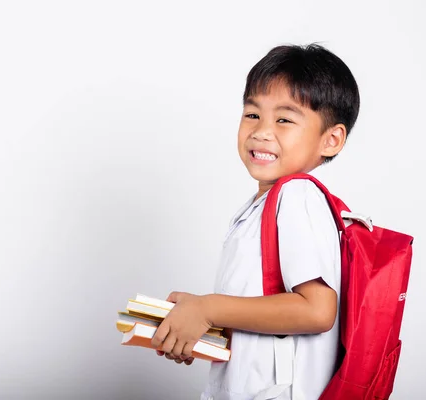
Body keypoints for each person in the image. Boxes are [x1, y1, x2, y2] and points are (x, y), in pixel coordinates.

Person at [150, 43, 361, 400]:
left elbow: (317, 309)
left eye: (284, 119)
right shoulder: (264, 204)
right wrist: (201, 325)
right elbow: (266, 311)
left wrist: (209, 307)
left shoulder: (297, 196)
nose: (262, 131)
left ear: (331, 139)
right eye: (252, 114)